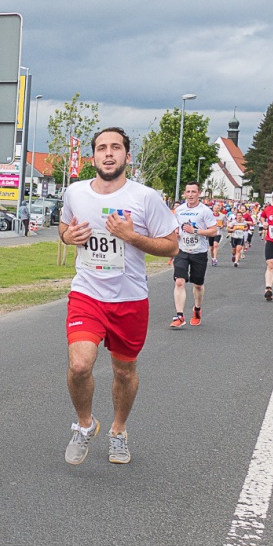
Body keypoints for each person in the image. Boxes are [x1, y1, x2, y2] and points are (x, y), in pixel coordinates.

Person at [59, 127, 178, 465]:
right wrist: (70, 237)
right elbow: (64, 228)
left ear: (127, 156)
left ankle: (118, 430)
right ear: (92, 157)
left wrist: (132, 236)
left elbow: (171, 244)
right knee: (80, 365)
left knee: (124, 372)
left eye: (115, 148)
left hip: (130, 299)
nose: (108, 154)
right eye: (101, 148)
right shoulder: (75, 192)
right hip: (87, 293)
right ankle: (84, 425)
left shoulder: (145, 198)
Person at [170, 182, 217, 328]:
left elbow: (213, 231)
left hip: (199, 252)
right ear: (185, 193)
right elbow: (175, 227)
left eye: (193, 192)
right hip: (182, 251)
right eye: (188, 192)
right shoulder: (179, 210)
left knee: (198, 285)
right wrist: (176, 233)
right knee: (179, 281)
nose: (190, 195)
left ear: (199, 193)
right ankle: (179, 316)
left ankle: (197, 309)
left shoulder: (205, 211)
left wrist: (195, 231)